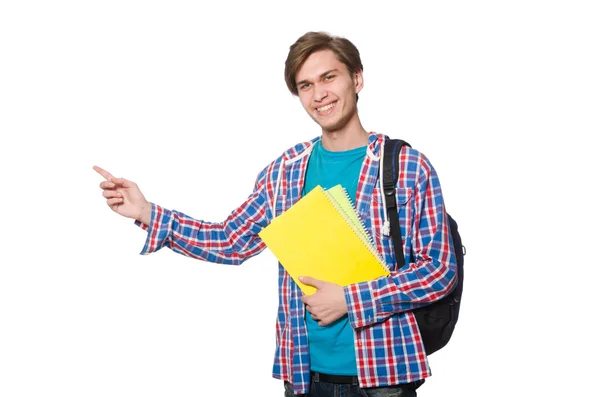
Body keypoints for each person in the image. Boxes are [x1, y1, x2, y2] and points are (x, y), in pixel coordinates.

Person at [94, 31, 457, 397]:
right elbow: (230, 240)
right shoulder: (286, 170)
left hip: (384, 379)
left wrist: (349, 299)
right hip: (302, 377)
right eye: (305, 85)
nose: (319, 94)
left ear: (357, 79)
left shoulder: (406, 167)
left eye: (329, 77)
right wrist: (147, 211)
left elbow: (439, 271)